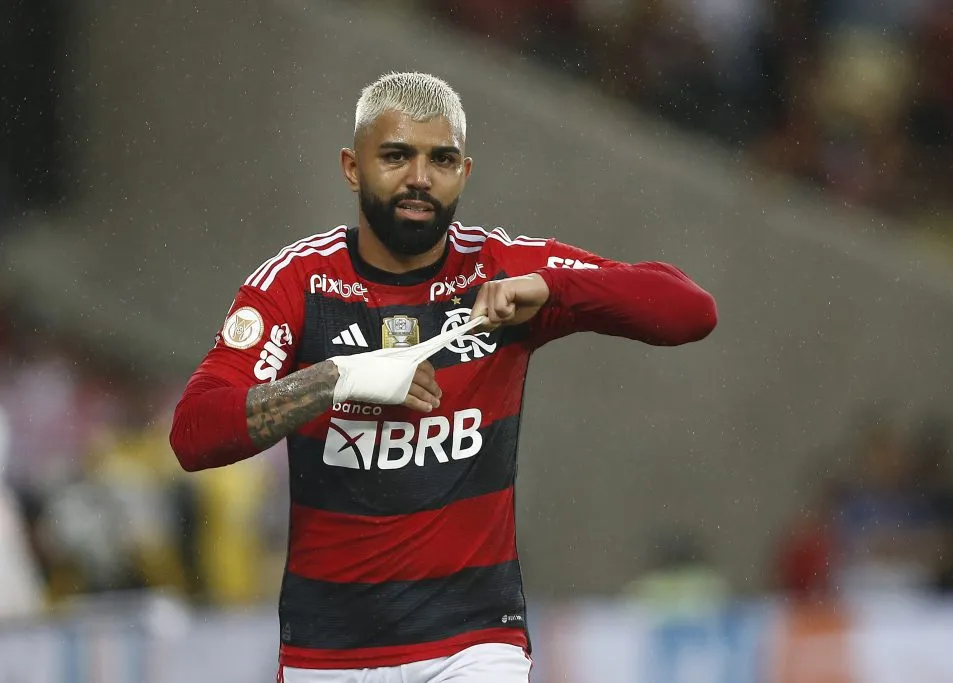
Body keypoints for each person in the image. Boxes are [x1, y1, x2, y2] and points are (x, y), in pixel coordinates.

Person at [169, 71, 717, 683]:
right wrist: (338, 378)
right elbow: (193, 434)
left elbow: (690, 311)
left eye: (442, 160)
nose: (421, 178)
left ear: (466, 172)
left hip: (474, 645)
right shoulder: (300, 282)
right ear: (352, 167)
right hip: (327, 654)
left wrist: (554, 285)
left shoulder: (501, 271)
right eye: (397, 156)